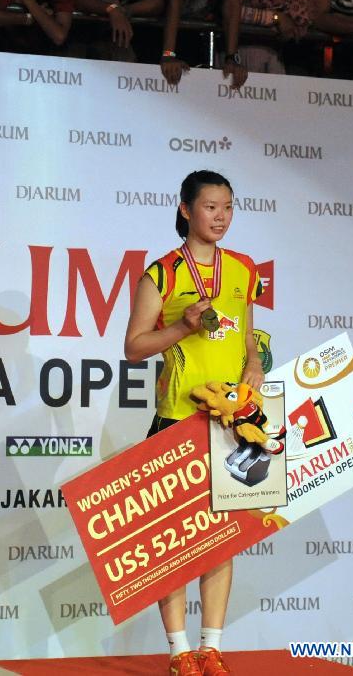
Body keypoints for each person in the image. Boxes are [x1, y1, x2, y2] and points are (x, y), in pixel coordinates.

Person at [124, 169, 264, 676]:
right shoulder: (161, 274)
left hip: (231, 424)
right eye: (210, 207)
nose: (221, 216)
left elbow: (248, 336)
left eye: (228, 206)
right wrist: (182, 326)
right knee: (173, 543)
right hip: (176, 420)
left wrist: (254, 365)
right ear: (185, 209)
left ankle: (212, 648)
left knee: (222, 539)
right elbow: (134, 346)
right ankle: (180, 652)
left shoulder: (245, 270)